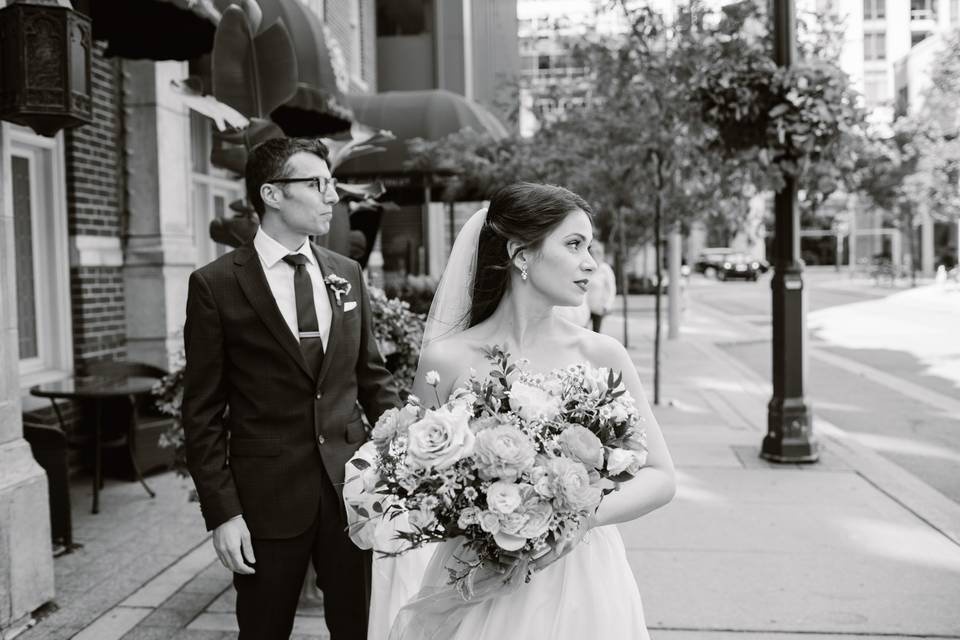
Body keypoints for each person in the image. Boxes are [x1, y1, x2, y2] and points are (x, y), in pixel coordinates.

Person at [385, 183, 676, 639]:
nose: (591, 263)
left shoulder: (602, 354)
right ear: (522, 255)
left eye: (590, 247)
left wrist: (579, 517)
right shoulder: (447, 358)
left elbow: (661, 476)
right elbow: (414, 476)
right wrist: (479, 509)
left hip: (582, 576)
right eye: (574, 245)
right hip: (477, 573)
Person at [182, 137, 399, 640]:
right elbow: (203, 414)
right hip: (267, 500)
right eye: (317, 183)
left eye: (332, 184)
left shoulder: (347, 274)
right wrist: (224, 513)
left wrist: (408, 465)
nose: (332, 196)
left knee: (360, 628)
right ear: (272, 194)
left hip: (352, 492)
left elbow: (373, 380)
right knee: (263, 630)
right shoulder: (216, 285)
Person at [586, 240, 617, 333]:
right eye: (591, 252)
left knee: (596, 333)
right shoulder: (585, 267)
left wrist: (607, 304)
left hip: (598, 308)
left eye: (597, 253)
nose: (594, 255)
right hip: (584, 307)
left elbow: (612, 289)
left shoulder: (605, 269)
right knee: (583, 332)